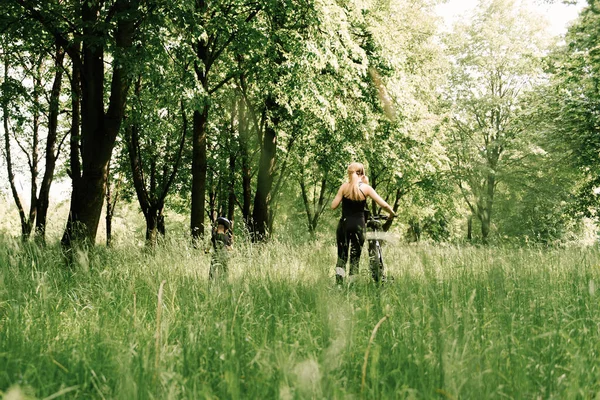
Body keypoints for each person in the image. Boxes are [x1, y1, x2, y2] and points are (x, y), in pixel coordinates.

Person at [331, 162, 395, 284]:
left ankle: (339, 284)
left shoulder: (344, 187)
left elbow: (333, 206)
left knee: (342, 257)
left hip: (344, 225)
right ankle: (352, 284)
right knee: (355, 258)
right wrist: (392, 213)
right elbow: (384, 204)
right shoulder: (366, 188)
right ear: (362, 173)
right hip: (358, 227)